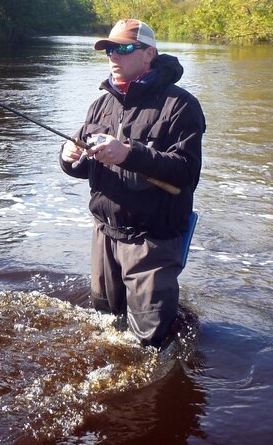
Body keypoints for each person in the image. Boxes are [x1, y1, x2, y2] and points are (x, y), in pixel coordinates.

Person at [60, 19, 205, 348]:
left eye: (124, 48)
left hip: (150, 241)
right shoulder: (101, 104)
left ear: (149, 54)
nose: (113, 55)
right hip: (105, 234)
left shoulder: (180, 105)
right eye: (109, 49)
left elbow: (186, 174)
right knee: (105, 325)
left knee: (150, 344)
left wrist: (128, 154)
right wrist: (69, 157)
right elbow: (86, 169)